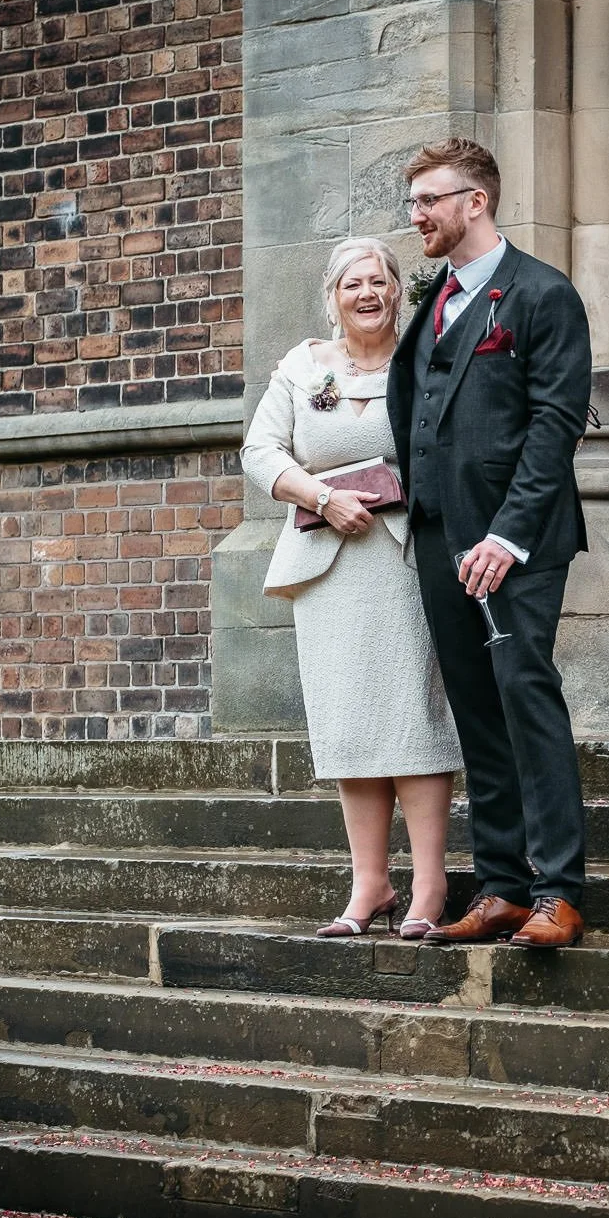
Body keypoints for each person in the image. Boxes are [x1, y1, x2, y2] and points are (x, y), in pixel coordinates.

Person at [387, 137, 593, 949]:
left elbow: (554, 425)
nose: (418, 216)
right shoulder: (434, 300)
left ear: (477, 201)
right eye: (413, 203)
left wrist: (508, 533)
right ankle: (503, 885)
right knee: (476, 708)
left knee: (524, 696)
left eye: (430, 200)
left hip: (518, 542)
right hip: (439, 534)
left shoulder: (543, 294)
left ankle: (557, 891)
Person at [240, 237, 461, 940]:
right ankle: (371, 883)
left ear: (399, 290)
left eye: (379, 281)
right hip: (328, 566)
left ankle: (429, 883)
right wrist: (318, 494)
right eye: (352, 284)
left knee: (413, 718)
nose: (367, 293)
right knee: (351, 721)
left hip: (407, 560)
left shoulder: (428, 356)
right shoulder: (305, 368)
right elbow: (259, 449)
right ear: (332, 297)